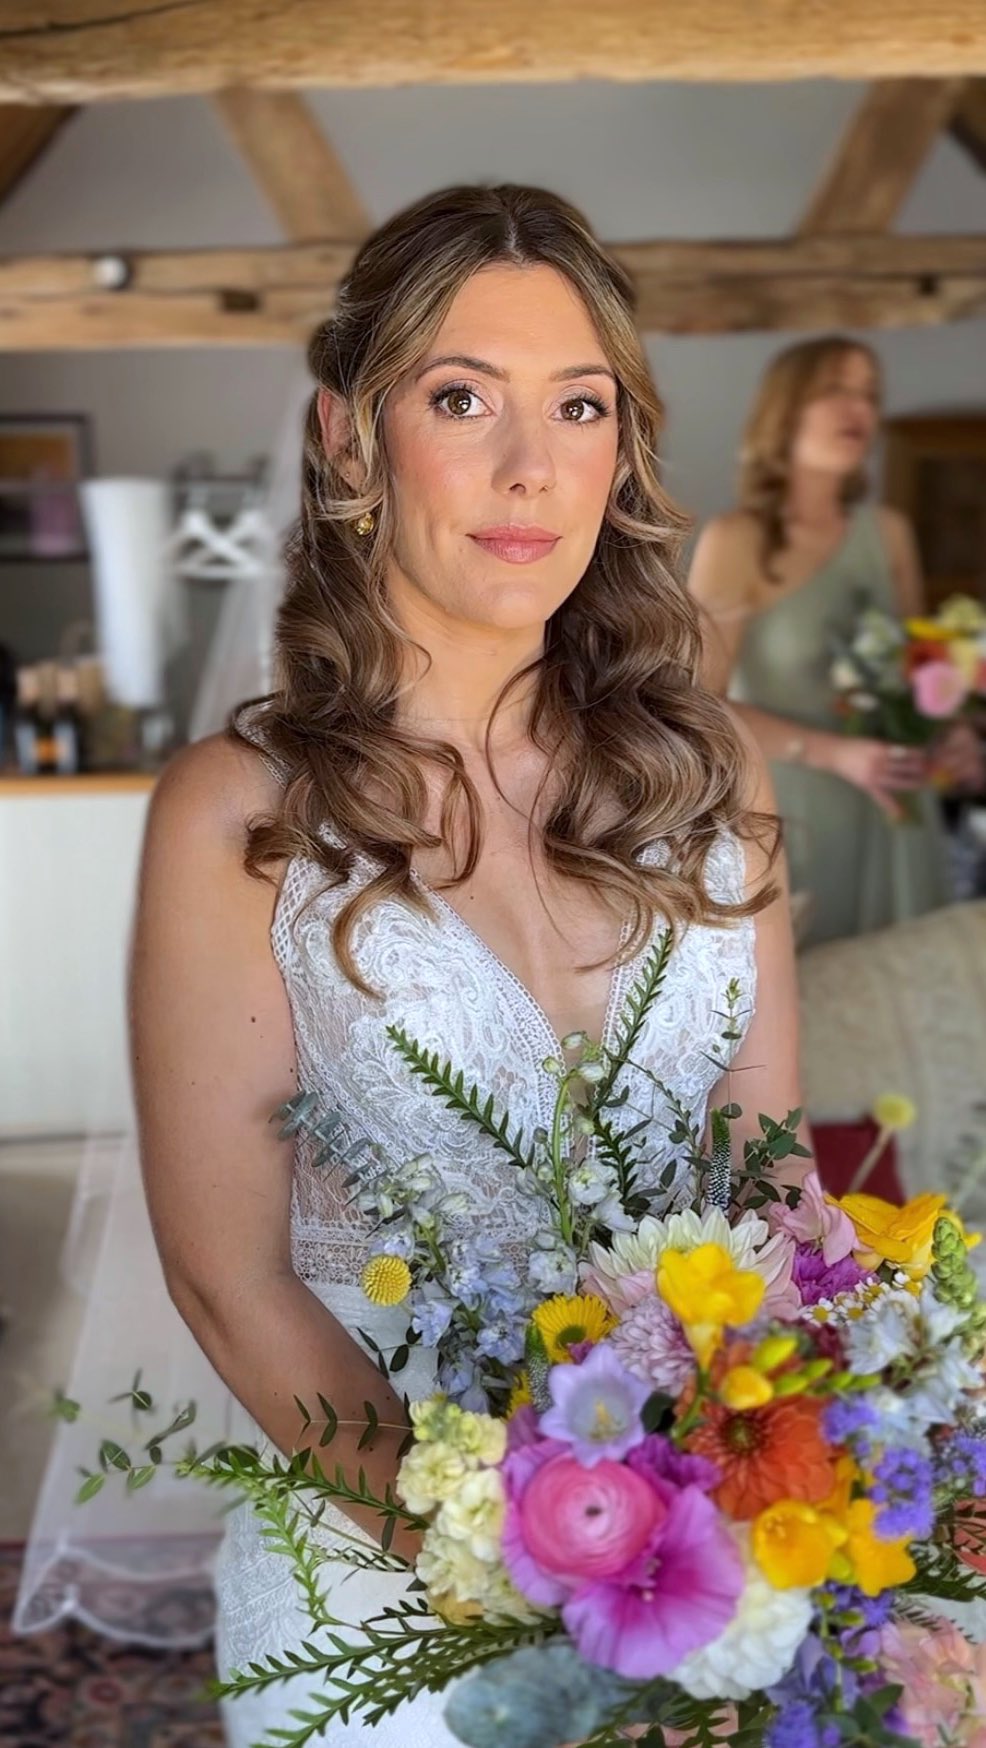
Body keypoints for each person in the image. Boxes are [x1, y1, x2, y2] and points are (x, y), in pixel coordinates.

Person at [131, 184, 803, 1747]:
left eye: (577, 406)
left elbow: (772, 1178)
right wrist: (522, 1577)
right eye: (459, 399)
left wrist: (757, 1506)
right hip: (394, 1582)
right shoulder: (242, 819)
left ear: (620, 446)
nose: (528, 469)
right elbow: (227, 1283)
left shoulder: (712, 773)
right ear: (349, 439)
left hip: (705, 1563)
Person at [688, 336, 982, 948]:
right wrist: (834, 753)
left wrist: (953, 736)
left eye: (869, 395)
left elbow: (918, 676)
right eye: (835, 390)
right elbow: (696, 706)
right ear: (785, 409)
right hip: (797, 818)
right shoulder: (736, 540)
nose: (859, 409)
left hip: (900, 811)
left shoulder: (888, 532)